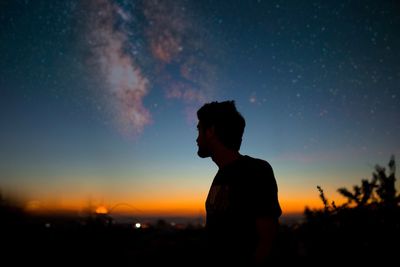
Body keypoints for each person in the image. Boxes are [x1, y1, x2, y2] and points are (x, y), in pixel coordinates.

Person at [196, 100, 282, 266]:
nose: (196, 138)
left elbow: (268, 239)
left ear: (211, 131)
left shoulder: (256, 170)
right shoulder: (221, 175)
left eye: (199, 130)